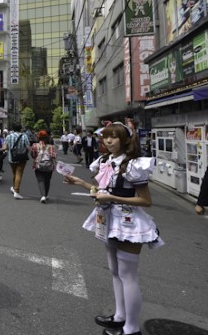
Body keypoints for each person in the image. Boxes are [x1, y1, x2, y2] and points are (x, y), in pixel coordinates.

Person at [63, 122, 162, 335]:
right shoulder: (105, 161)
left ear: (126, 140)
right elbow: (100, 189)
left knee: (128, 276)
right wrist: (79, 182)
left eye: (114, 137)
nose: (108, 141)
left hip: (129, 223)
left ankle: (132, 329)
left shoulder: (134, 164)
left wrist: (112, 197)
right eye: (106, 137)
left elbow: (145, 200)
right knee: (115, 272)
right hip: (107, 219)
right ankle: (119, 317)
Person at [30, 130, 56, 203]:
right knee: (47, 180)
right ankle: (46, 195)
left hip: (38, 165)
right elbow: (53, 156)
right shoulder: (51, 146)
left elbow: (33, 155)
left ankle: (43, 195)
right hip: (49, 166)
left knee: (40, 180)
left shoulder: (35, 145)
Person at [5, 123, 29, 199]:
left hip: (11, 158)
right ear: (20, 128)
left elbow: (5, 147)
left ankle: (14, 187)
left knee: (14, 173)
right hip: (22, 158)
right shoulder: (24, 136)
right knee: (19, 174)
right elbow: (28, 147)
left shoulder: (9, 136)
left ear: (13, 128)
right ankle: (16, 191)